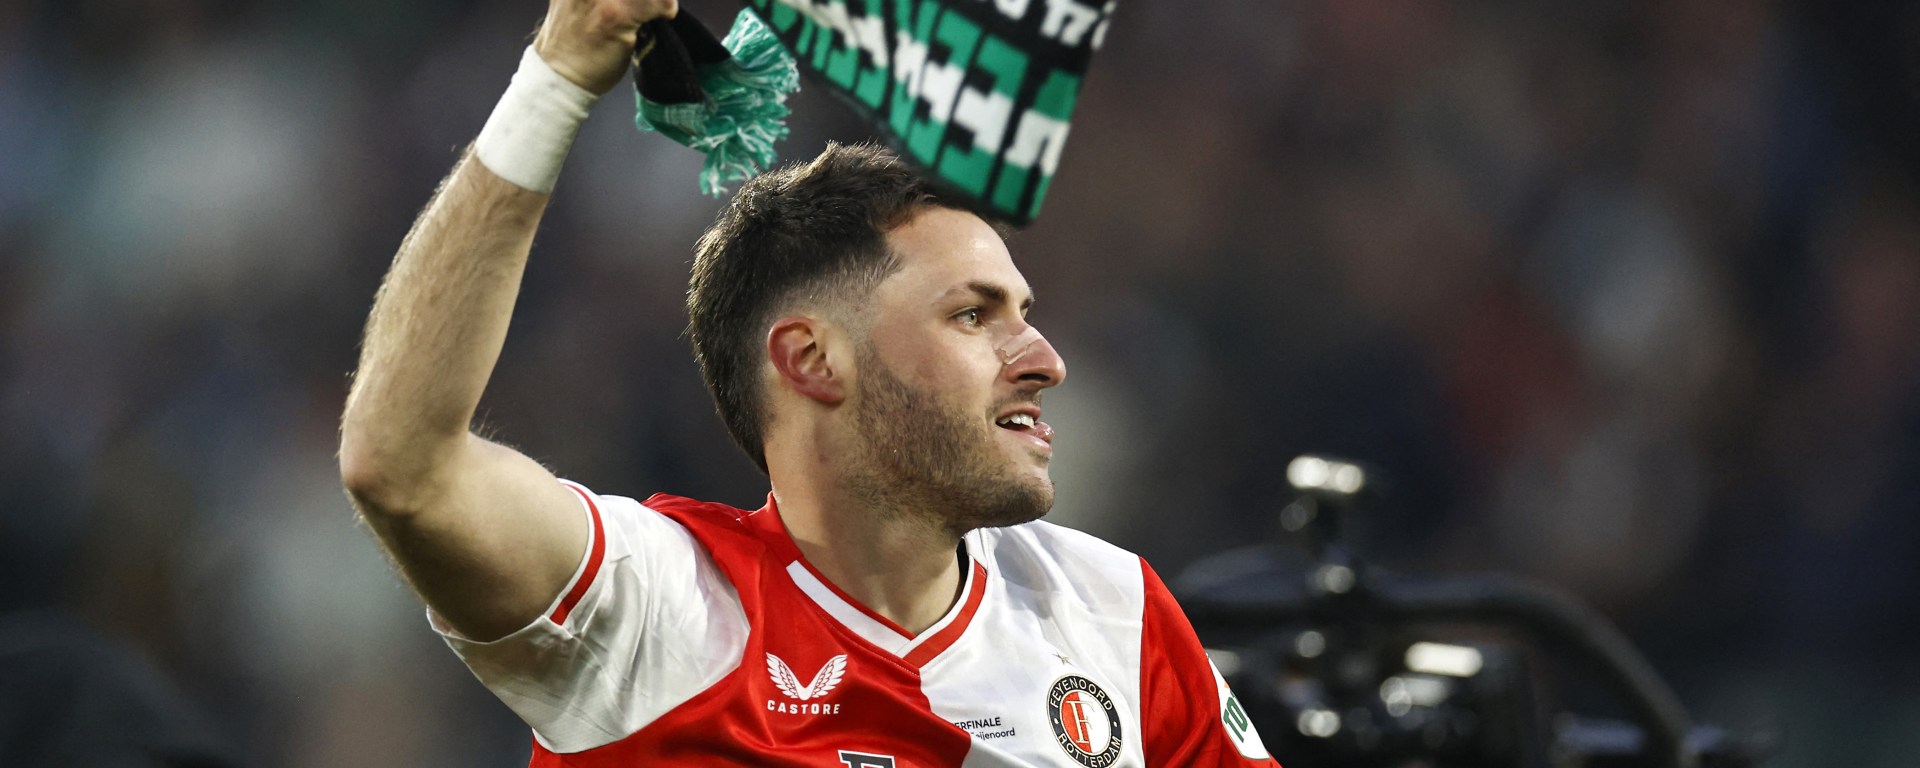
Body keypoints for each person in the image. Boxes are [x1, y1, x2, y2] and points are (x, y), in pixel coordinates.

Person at [338, 0, 1279, 765]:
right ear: (811, 359)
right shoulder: (656, 609)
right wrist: (557, 77)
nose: (1044, 359)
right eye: (972, 315)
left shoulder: (1107, 607)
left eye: (1023, 312)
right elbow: (403, 467)